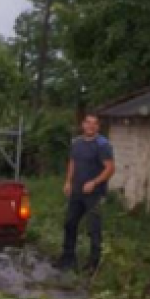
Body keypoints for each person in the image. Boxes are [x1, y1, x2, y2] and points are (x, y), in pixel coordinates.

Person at [57, 114, 115, 273]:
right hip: (76, 192)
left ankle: (93, 264)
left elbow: (110, 169)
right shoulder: (76, 143)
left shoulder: (102, 145)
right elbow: (72, 162)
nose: (91, 126)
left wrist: (94, 182)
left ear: (98, 127)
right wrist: (68, 182)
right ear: (83, 125)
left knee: (93, 228)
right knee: (70, 223)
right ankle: (68, 258)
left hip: (94, 194)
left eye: (94, 124)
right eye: (88, 123)